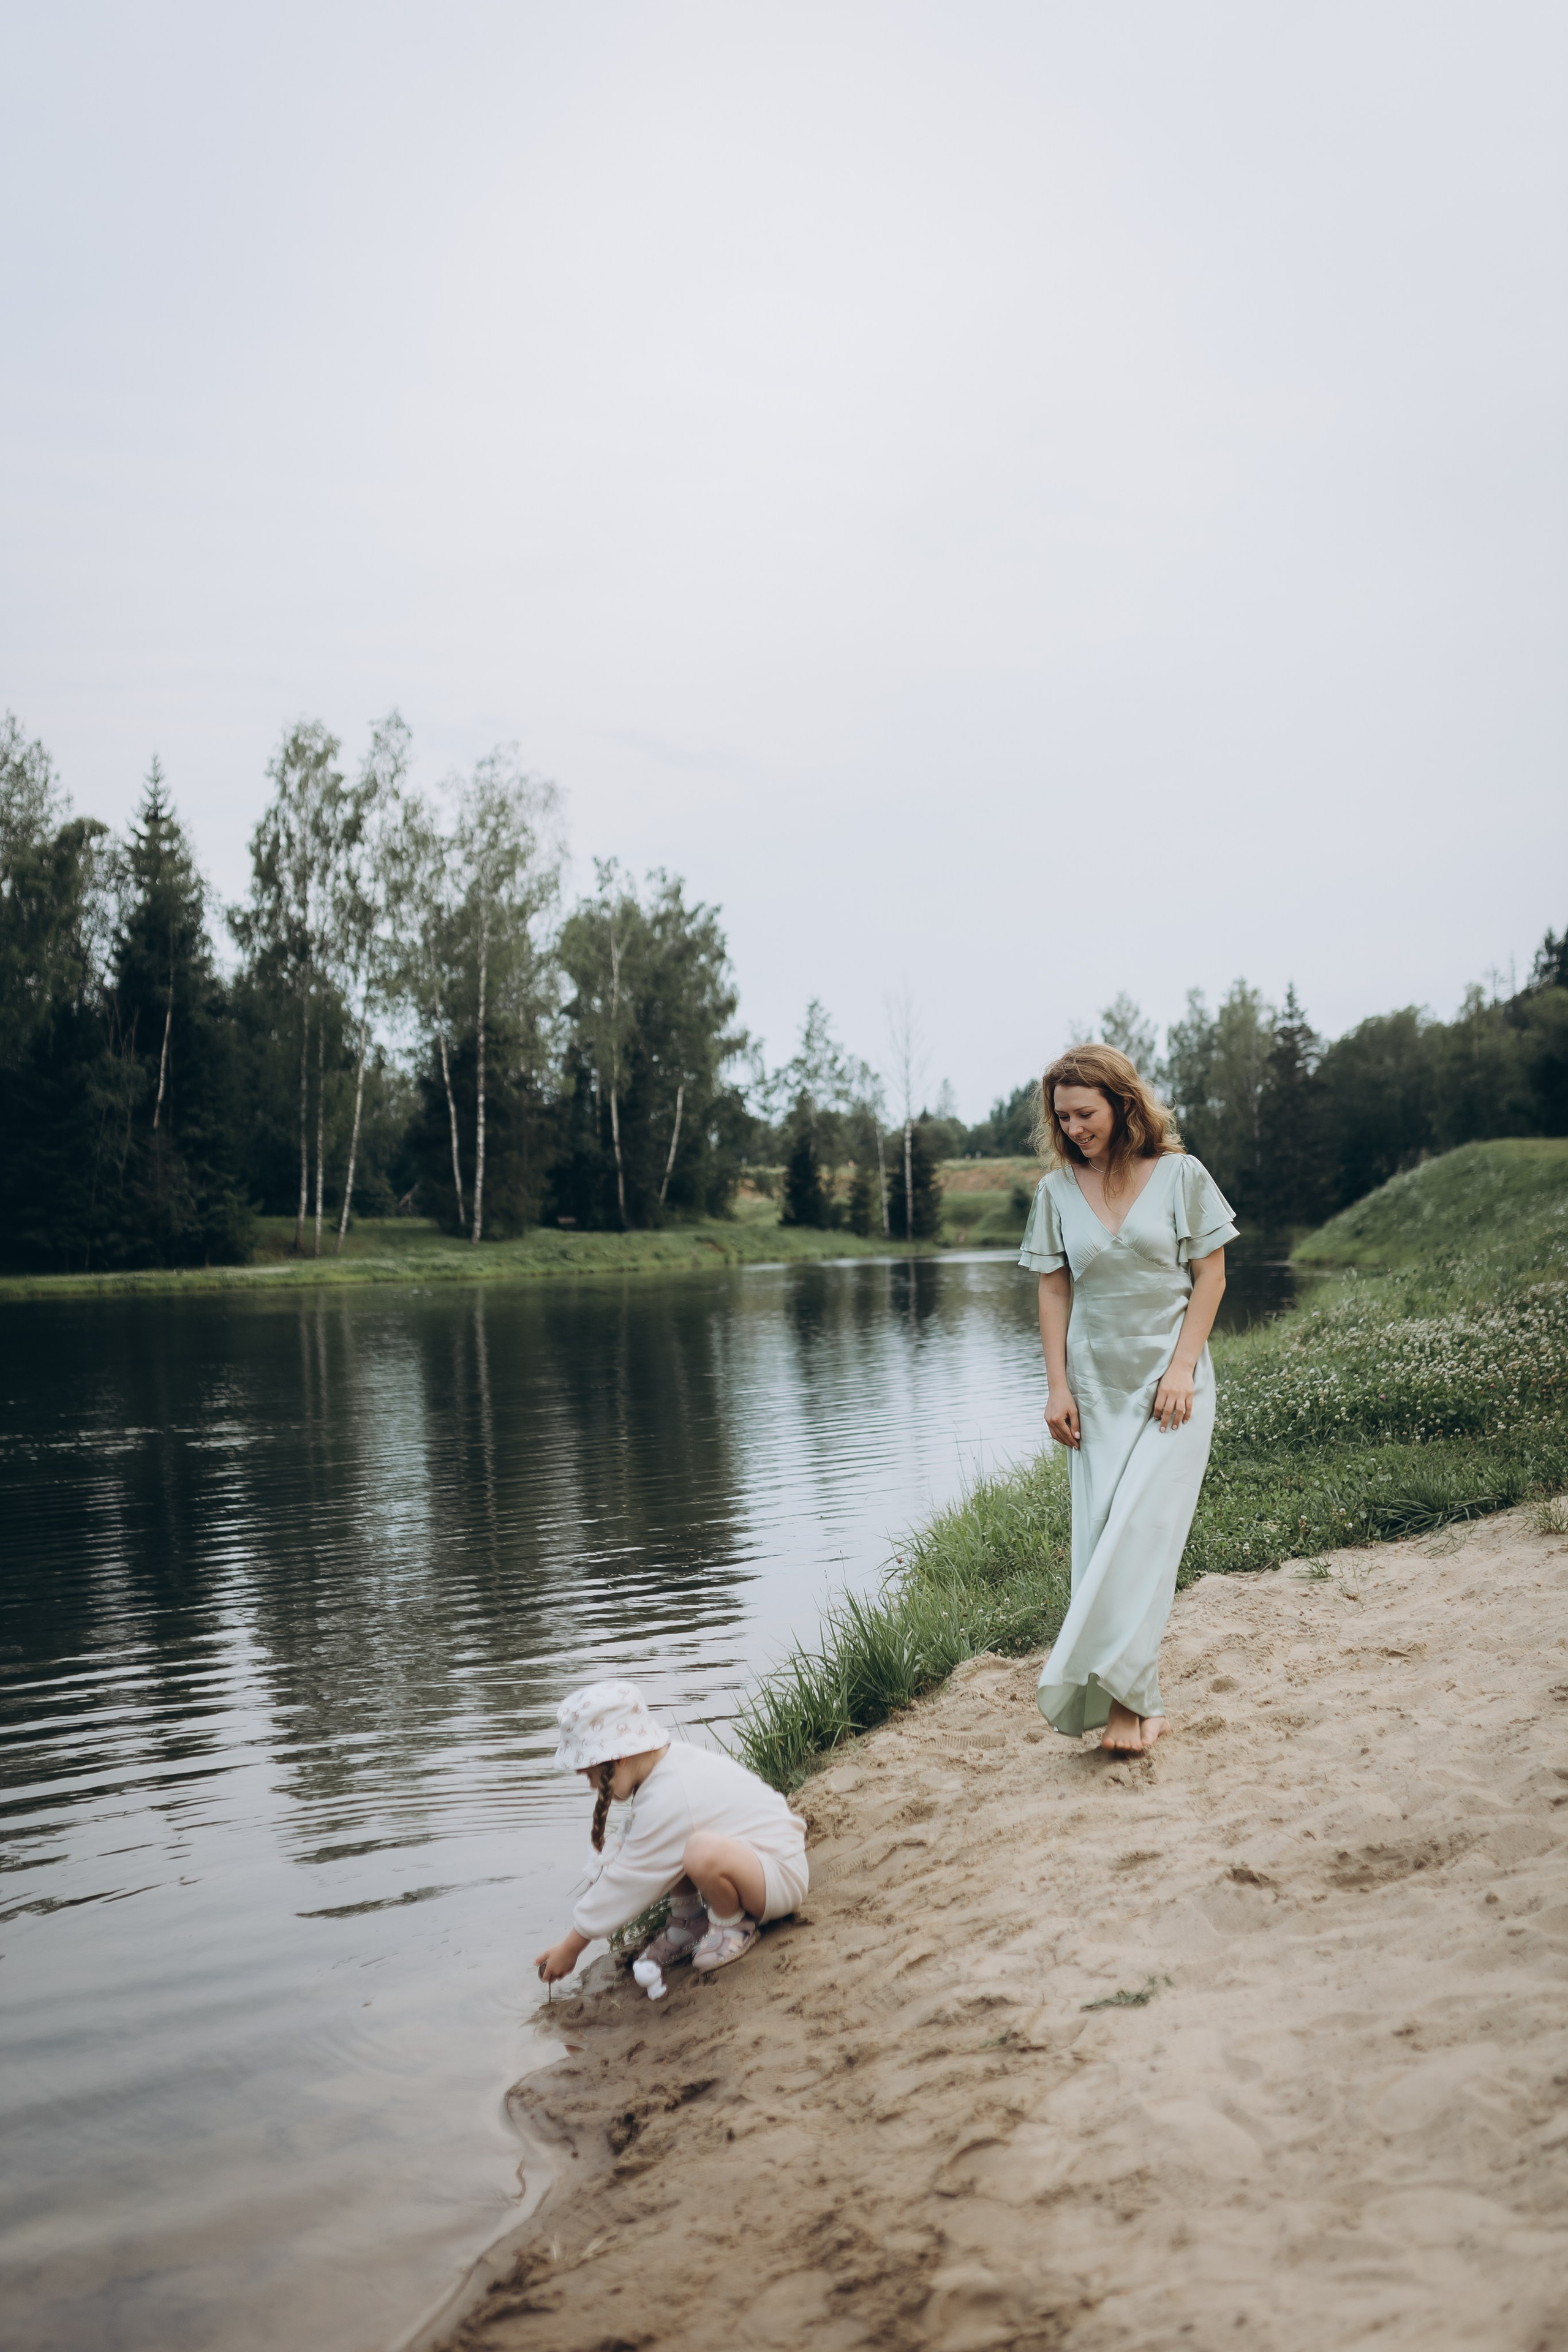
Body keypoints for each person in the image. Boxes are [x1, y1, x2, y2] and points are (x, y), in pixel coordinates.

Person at [1019, 1044, 1237, 1755]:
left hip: (1173, 1384)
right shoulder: (1055, 1193)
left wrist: (1181, 1369)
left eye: (1085, 1113)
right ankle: (1139, 1702)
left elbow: (1209, 1277)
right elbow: (1054, 1288)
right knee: (1104, 1537)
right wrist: (1056, 1387)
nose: (1074, 1127)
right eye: (1063, 1117)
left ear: (1121, 1103)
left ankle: (1120, 1711)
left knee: (1144, 1535)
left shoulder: (1181, 1175)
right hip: (1097, 1388)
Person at [533, 1679, 809, 1985]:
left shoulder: (671, 1793)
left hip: (778, 1877)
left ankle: (731, 1924)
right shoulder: (663, 1769)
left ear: (619, 1759)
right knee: (671, 1842)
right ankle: (689, 1920)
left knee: (699, 1851)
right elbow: (642, 1853)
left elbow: (627, 1881)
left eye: (590, 1774)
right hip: (754, 1862)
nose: (592, 1786)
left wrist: (571, 1948)